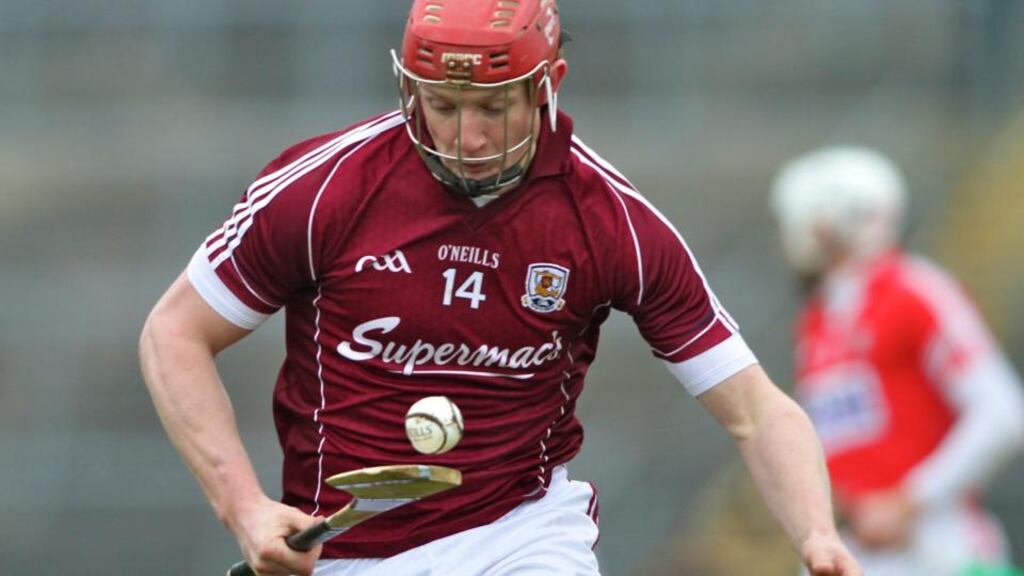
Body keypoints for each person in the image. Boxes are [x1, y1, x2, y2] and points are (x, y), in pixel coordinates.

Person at [139, 2, 860, 574]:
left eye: (492, 106)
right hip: (344, 549)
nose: (467, 138)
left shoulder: (610, 224)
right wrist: (245, 508)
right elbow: (174, 335)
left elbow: (756, 411)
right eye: (443, 106)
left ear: (549, 86)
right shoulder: (326, 189)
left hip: (519, 535)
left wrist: (817, 536)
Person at [770, 145, 1024, 576]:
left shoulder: (913, 289)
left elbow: (1003, 413)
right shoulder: (816, 322)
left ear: (827, 223)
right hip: (858, 552)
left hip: (938, 548)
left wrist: (910, 500)